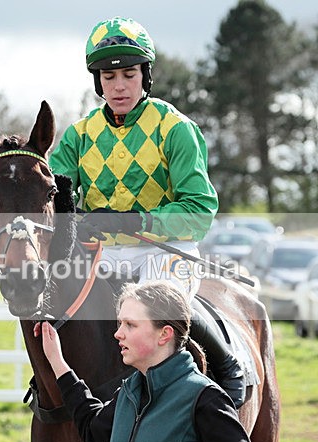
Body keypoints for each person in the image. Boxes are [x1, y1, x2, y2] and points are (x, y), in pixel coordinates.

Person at [37, 281, 267, 442]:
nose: (118, 333)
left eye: (130, 325)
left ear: (164, 334)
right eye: (120, 323)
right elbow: (92, 429)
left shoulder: (204, 399)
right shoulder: (129, 394)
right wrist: (59, 365)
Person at [49, 16, 219, 300]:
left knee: (148, 314)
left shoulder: (176, 129)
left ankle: (179, 347)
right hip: (99, 253)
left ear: (145, 76)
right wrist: (77, 219)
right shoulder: (78, 135)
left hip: (165, 253)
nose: (118, 86)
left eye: (129, 75)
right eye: (109, 76)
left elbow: (199, 212)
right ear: (97, 81)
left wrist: (135, 222)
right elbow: (53, 198)